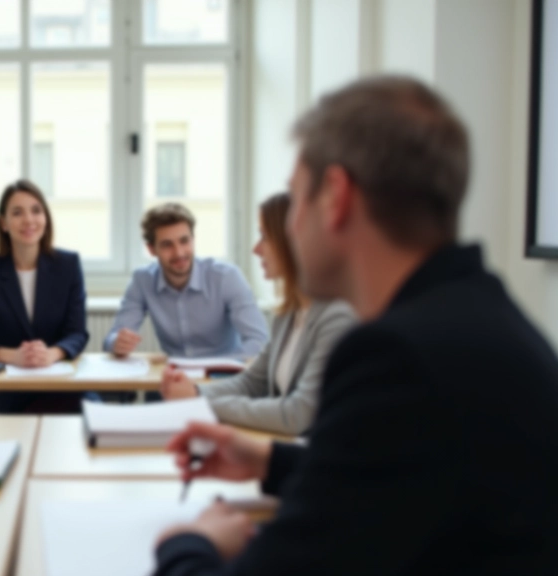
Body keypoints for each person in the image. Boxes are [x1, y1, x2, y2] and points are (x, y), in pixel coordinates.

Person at [155, 76, 558, 574]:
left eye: (297, 199)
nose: (291, 227)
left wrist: (189, 543)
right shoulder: (483, 320)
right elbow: (401, 478)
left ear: (337, 197)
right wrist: (270, 462)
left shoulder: (396, 356)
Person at [159, 192, 354, 435]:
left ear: (292, 240)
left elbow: (298, 414)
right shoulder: (288, 313)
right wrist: (195, 392)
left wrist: (201, 403)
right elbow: (253, 382)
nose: (255, 249)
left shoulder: (337, 317)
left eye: (264, 236)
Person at [0, 179, 89, 414]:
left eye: (36, 211)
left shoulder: (68, 266)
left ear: (45, 219)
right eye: (17, 213)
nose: (29, 220)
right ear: (3, 223)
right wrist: (14, 356)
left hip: (66, 389)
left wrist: (51, 354)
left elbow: (77, 333)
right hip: (14, 393)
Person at [104, 203, 268, 361]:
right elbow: (111, 339)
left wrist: (222, 366)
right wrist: (116, 343)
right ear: (152, 249)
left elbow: (259, 341)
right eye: (167, 245)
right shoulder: (142, 280)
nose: (179, 253)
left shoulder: (226, 277)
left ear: (193, 239)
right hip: (173, 376)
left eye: (184, 241)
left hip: (222, 376)